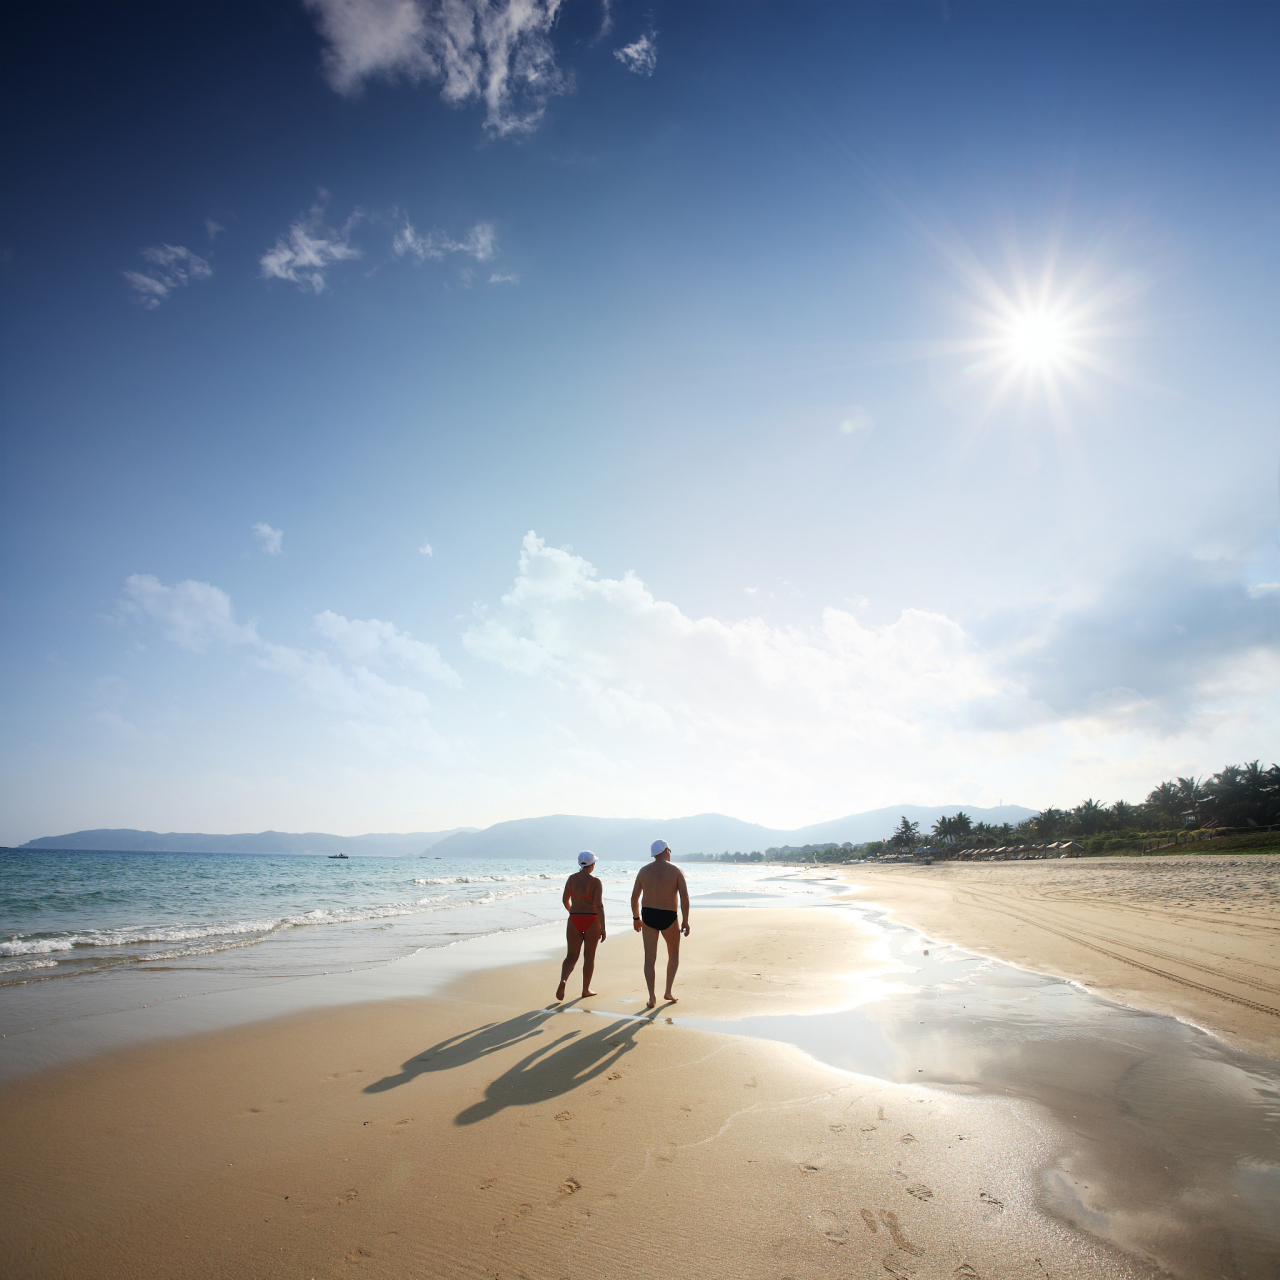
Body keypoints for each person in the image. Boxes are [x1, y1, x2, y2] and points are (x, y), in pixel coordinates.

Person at [630, 839, 690, 1008]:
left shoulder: (643, 871)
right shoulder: (676, 870)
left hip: (648, 914)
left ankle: (651, 997)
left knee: (649, 958)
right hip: (668, 915)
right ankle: (668, 991)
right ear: (665, 851)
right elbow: (684, 897)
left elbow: (634, 897)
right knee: (673, 954)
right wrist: (685, 920)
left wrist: (636, 918)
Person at [557, 851, 605, 1001]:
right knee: (589, 957)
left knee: (571, 956)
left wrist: (572, 911)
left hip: (574, 919)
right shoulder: (595, 881)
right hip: (591, 919)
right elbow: (599, 905)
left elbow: (564, 900)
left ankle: (563, 980)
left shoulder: (571, 879)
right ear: (592, 864)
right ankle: (585, 989)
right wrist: (603, 926)